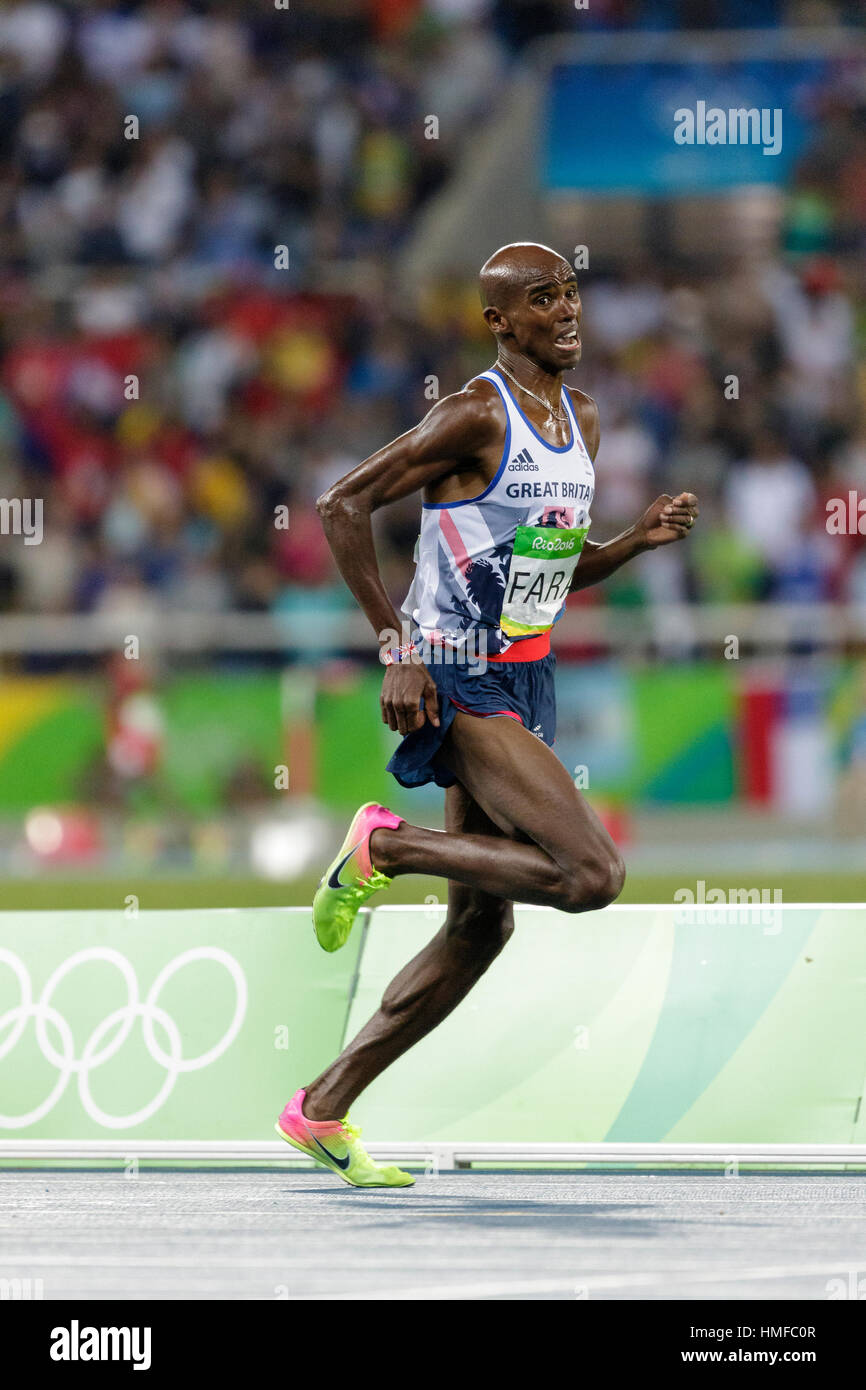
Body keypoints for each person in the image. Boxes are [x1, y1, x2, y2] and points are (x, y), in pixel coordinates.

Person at [275, 243, 699, 1186]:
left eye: (573, 293)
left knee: (481, 930)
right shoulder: (472, 413)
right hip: (456, 675)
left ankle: (323, 1107)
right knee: (591, 873)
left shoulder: (580, 418)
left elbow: (544, 568)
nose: (568, 311)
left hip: (525, 674)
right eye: (542, 300)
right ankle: (386, 850)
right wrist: (396, 646)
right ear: (500, 321)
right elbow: (341, 502)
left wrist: (632, 544)